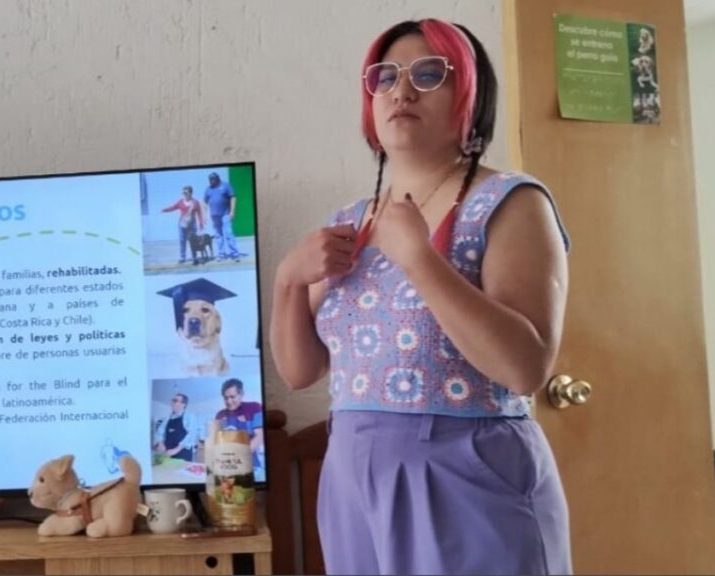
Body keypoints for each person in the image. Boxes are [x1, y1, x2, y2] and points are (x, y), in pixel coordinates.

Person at [269, 19, 572, 575]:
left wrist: (418, 258)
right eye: (385, 78)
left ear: (471, 98)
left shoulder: (510, 202)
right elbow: (299, 370)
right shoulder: (350, 223)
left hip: (469, 475)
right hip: (351, 480)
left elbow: (524, 367)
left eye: (430, 74)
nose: (402, 90)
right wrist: (288, 281)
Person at [214, 379, 264, 469]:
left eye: (232, 397)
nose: (229, 401)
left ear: (241, 394)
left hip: (251, 464)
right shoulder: (219, 415)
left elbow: (260, 435)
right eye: (226, 398)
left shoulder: (254, 407)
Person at [203, 172, 243, 261]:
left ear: (217, 178)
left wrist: (232, 211)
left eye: (213, 179)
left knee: (229, 233)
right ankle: (221, 254)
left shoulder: (225, 186)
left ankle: (234, 254)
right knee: (218, 235)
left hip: (225, 214)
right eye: (210, 179)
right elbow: (205, 202)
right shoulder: (208, 189)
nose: (211, 181)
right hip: (214, 216)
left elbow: (233, 197)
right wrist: (205, 215)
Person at [160, 186, 205, 264]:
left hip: (192, 224)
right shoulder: (180, 202)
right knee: (182, 240)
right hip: (182, 224)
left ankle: (194, 257)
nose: (184, 194)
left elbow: (199, 213)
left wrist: (201, 223)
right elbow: (173, 207)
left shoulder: (195, 202)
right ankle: (182, 257)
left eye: (186, 192)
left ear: (190, 193)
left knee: (193, 241)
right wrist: (165, 210)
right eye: (183, 192)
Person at [152, 393, 200, 462]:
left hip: (183, 455)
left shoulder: (189, 416)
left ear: (183, 405)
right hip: (167, 454)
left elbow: (192, 435)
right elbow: (159, 432)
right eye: (172, 400)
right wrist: (160, 443)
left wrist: (176, 450)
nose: (172, 403)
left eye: (175, 400)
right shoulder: (167, 418)